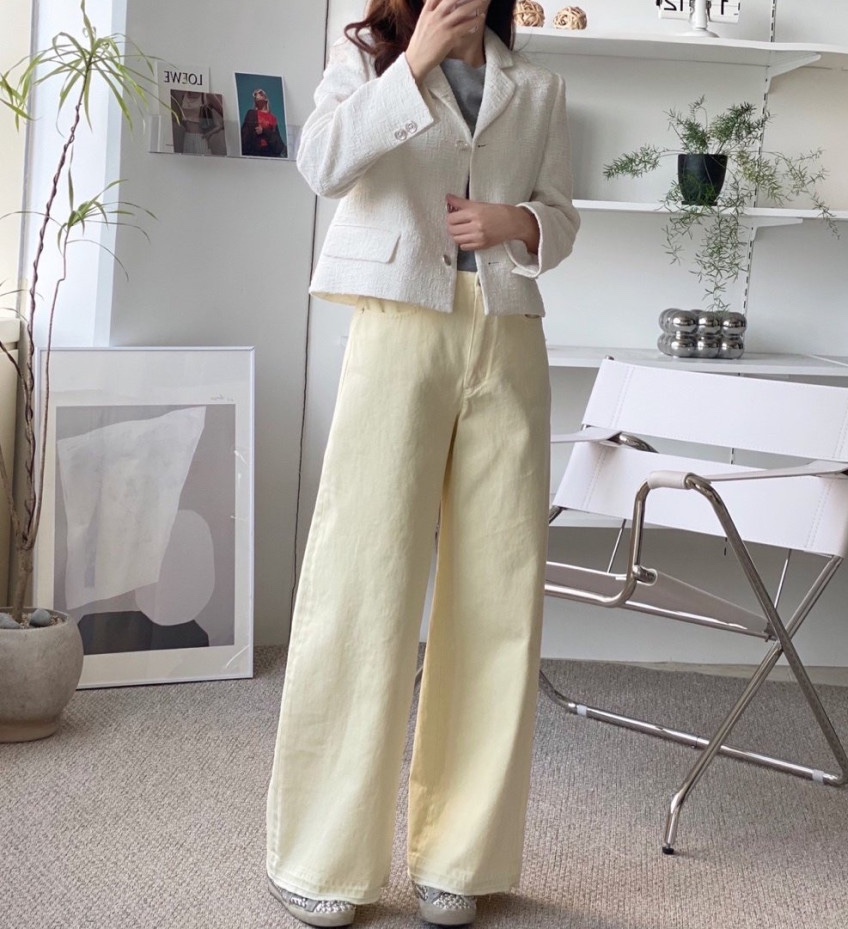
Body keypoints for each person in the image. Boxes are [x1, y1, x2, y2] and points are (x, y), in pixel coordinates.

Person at [266, 0, 579, 926]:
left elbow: (562, 219)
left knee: (499, 595)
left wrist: (518, 219)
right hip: (400, 325)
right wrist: (414, 65)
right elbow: (320, 163)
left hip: (508, 338)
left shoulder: (538, 86)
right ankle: (323, 856)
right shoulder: (368, 61)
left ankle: (461, 856)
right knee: (363, 580)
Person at [241, 88, 287, 156]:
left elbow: (276, 138)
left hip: (269, 152)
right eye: (256, 96)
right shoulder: (251, 114)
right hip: (254, 151)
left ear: (266, 99)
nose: (258, 95)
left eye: (261, 94)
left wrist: (264, 131)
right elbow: (244, 134)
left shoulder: (273, 118)